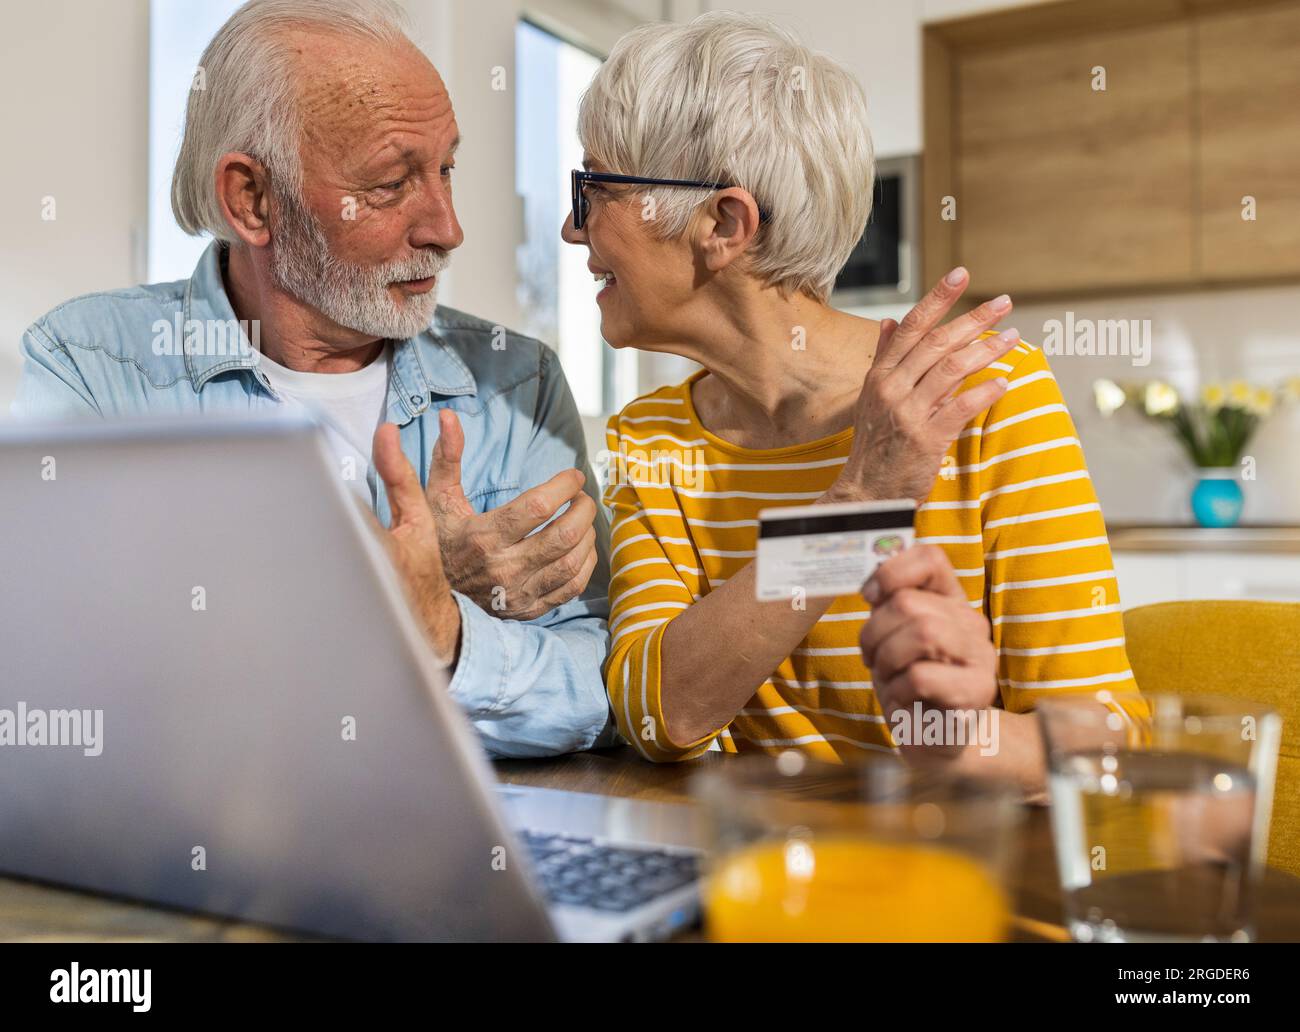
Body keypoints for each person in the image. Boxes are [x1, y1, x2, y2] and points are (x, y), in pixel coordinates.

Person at [12, 0, 611, 758]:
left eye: (446, 169)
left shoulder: (516, 382)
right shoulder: (90, 366)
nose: (447, 227)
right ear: (251, 200)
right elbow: (65, 686)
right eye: (392, 184)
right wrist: (398, 608)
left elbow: (602, 687)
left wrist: (448, 630)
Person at [563, 13, 1137, 792]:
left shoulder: (979, 398)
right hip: (753, 882)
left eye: (593, 189)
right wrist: (859, 506)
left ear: (723, 223)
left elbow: (1109, 739)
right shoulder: (651, 440)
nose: (572, 228)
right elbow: (658, 715)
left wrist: (962, 741)